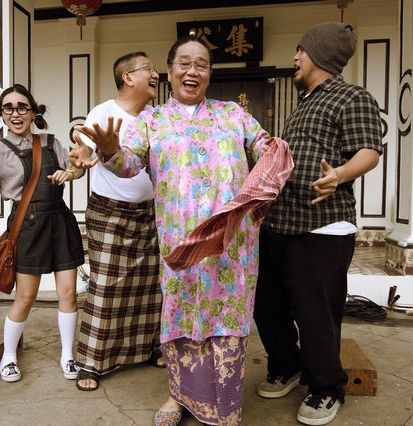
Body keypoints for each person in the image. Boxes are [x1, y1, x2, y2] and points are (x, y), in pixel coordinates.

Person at [74, 35, 271, 426]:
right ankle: (179, 396)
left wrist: (275, 162)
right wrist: (110, 150)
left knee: (226, 319)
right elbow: (128, 165)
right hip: (180, 246)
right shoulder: (152, 120)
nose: (192, 70)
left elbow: (265, 149)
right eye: (184, 63)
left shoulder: (233, 114)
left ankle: (225, 404)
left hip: (231, 245)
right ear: (169, 71)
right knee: (182, 316)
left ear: (209, 74)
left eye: (201, 64)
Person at [253, 22, 383, 426]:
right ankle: (287, 365)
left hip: (323, 226)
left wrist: (339, 174)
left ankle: (327, 387)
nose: (295, 57)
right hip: (280, 224)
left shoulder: (352, 96)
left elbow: (369, 150)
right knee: (267, 306)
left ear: (321, 56)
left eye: (301, 50)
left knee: (315, 315)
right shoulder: (305, 103)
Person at [0, 84, 85, 383]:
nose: (16, 113)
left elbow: (77, 169)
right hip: (27, 225)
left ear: (33, 112)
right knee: (25, 297)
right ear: (1, 114)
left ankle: (67, 356)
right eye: (8, 108)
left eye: (22, 107)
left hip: (60, 222)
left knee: (68, 294)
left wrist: (70, 172)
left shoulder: (50, 142)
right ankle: (8, 357)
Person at [69, 52, 163, 392]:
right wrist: (79, 161)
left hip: (150, 213)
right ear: (128, 77)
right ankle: (91, 362)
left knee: (150, 287)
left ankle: (149, 348)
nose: (156, 74)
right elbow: (84, 152)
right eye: (148, 68)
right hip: (109, 212)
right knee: (106, 287)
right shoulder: (103, 113)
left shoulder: (156, 118)